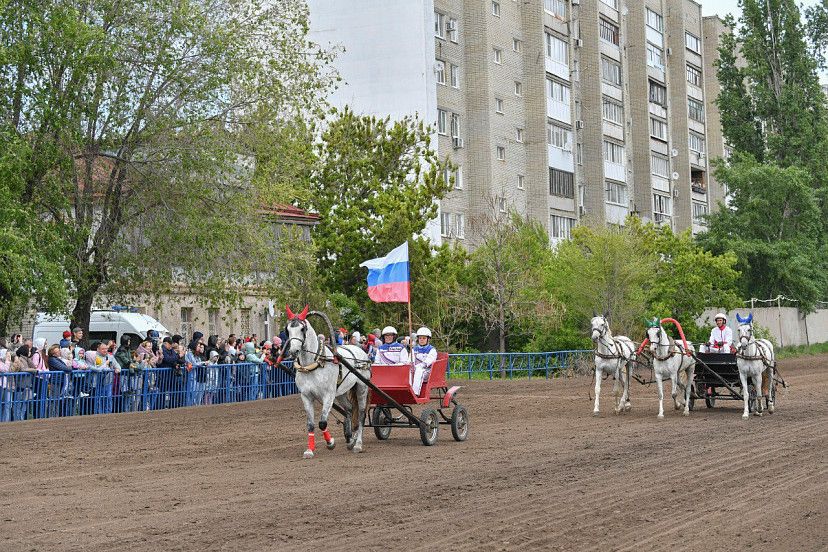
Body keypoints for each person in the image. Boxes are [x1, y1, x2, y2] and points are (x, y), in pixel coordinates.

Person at [410, 327, 438, 396]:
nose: (422, 340)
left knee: (419, 370)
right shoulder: (414, 349)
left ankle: (415, 393)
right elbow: (410, 360)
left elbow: (429, 361)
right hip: (416, 369)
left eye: (424, 338)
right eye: (420, 338)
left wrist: (418, 366)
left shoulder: (432, 350)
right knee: (408, 370)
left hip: (428, 371)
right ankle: (408, 390)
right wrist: (411, 365)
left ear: (428, 339)